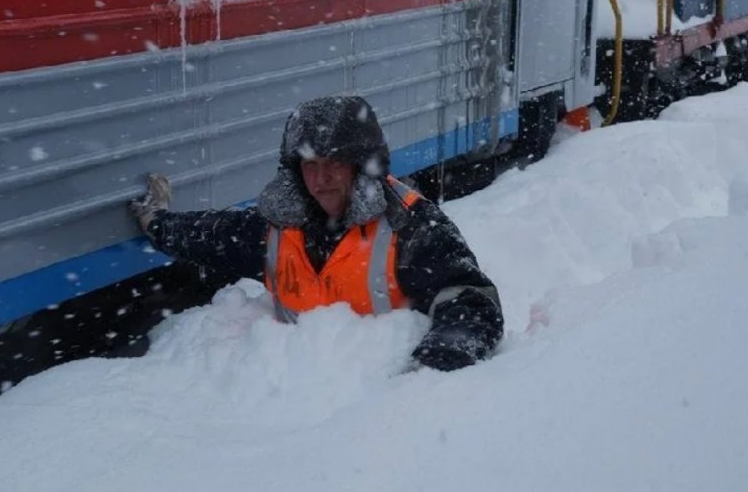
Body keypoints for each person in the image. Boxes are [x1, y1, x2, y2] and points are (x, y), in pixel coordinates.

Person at [130, 96, 503, 371]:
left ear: (361, 166)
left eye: (335, 164)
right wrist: (159, 222)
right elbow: (212, 235)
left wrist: (432, 369)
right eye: (310, 165)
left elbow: (470, 299)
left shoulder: (411, 226)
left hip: (378, 415)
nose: (321, 180)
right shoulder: (275, 230)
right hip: (292, 410)